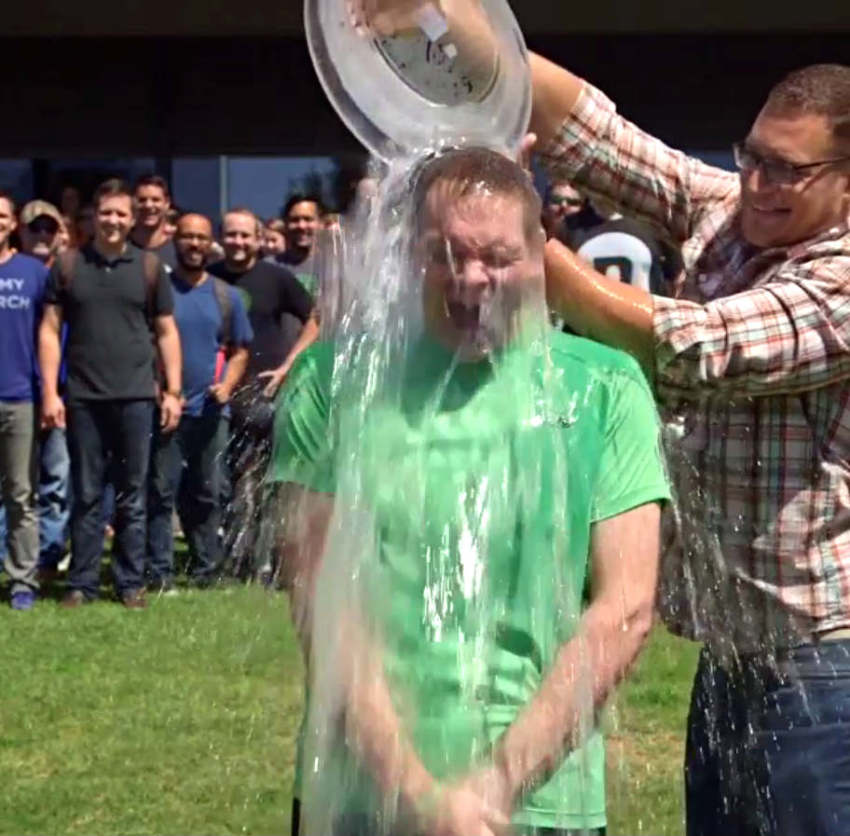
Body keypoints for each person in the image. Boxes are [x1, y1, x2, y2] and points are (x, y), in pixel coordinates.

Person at [271, 148, 668, 836]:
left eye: (499, 256)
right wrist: (421, 793)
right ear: (407, 254)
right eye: (444, 252)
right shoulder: (340, 381)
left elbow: (625, 610)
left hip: (542, 803)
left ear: (543, 256)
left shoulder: (603, 387)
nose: (471, 276)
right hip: (363, 796)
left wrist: (494, 786)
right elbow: (323, 603)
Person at [526, 53, 850, 834]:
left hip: (824, 671)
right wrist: (453, 22)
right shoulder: (732, 218)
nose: (758, 185)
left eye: (787, 170)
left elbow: (696, 344)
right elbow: (600, 139)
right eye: (752, 158)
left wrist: (527, 254)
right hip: (732, 655)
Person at [40, 177, 182, 610]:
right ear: (94, 216)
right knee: (84, 494)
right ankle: (81, 584)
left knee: (133, 494)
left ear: (132, 217)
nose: (114, 221)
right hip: (83, 396)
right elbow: (48, 330)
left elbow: (166, 332)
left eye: (122, 213)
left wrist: (173, 391)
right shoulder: (67, 265)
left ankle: (129, 583)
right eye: (107, 213)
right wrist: (50, 392)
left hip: (138, 396)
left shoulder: (149, 268)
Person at [208, 208, 317, 578]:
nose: (237, 242)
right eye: (231, 235)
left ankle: (269, 561)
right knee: (233, 480)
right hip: (220, 393)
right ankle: (236, 559)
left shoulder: (277, 278)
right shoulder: (210, 277)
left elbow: (317, 316)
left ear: (258, 239)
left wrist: (290, 365)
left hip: (266, 391)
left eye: (245, 235)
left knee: (271, 482)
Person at [147, 213, 252, 592]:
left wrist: (227, 386)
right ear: (176, 239)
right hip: (167, 408)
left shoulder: (226, 296)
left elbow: (241, 349)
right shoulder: (160, 290)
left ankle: (206, 570)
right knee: (161, 493)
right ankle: (159, 573)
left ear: (211, 244)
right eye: (188, 237)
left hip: (211, 412)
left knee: (207, 491)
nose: (194, 244)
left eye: (201, 238)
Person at [17, 200, 72, 581]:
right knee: (14, 482)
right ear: (19, 231)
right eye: (34, 228)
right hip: (15, 390)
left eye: (48, 229)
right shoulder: (12, 276)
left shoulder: (70, 275)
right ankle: (12, 557)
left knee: (56, 479)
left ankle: (49, 558)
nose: (41, 235)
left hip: (63, 391)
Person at [0, 190, 48, 610]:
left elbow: (51, 334)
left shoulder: (34, 272)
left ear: (13, 223)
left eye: (1, 216)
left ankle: (22, 581)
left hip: (20, 399)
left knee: (21, 494)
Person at [270, 194, 324, 296]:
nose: (301, 226)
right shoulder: (270, 268)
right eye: (295, 220)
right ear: (286, 224)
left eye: (308, 219)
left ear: (320, 223)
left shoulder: (336, 266)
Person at [129, 174, 178, 271]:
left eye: (155, 200)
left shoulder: (179, 251)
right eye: (142, 200)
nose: (148, 205)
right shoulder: (120, 248)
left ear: (167, 203)